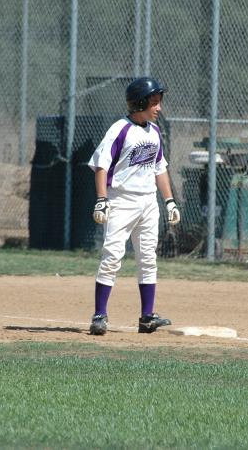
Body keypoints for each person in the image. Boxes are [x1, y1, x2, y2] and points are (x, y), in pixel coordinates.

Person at [87, 77, 181, 336]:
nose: (159, 108)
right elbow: (101, 164)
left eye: (159, 102)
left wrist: (169, 201)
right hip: (121, 201)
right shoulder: (120, 129)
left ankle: (147, 317)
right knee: (112, 256)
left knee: (148, 258)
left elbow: (160, 168)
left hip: (148, 202)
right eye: (154, 102)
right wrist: (102, 199)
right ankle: (99, 315)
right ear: (140, 103)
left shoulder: (155, 132)